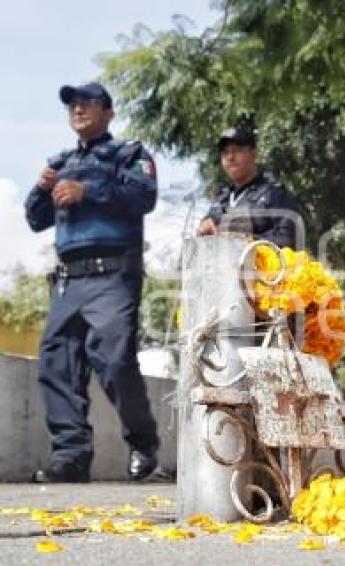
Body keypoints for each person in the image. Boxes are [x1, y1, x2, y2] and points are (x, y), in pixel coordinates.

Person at [24, 82, 160, 483]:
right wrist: (40, 189)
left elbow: (145, 195)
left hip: (114, 274)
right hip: (68, 280)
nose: (78, 109)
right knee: (57, 364)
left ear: (108, 112)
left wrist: (88, 191)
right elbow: (35, 220)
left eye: (87, 103)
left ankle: (143, 444)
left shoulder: (129, 154)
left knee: (115, 360)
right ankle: (71, 457)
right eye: (72, 105)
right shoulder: (60, 162)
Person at [197, 125, 302, 248]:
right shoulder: (220, 201)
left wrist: (246, 240)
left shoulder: (274, 195)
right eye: (225, 153)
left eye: (237, 150)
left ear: (254, 154)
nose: (230, 157)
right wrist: (203, 229)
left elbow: (289, 239)